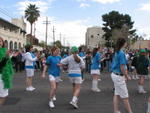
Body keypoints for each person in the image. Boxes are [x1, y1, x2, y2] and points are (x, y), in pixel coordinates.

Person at [111, 38, 133, 113]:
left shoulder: (117, 52)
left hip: (115, 74)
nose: (126, 43)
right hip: (118, 76)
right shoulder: (121, 53)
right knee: (125, 97)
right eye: (126, 42)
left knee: (117, 94)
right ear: (123, 43)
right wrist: (127, 76)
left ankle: (116, 110)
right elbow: (122, 67)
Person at [0, 37, 14, 105]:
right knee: (2, 95)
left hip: (5, 75)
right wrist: (6, 57)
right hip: (0, 75)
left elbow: (9, 63)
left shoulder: (5, 51)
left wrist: (10, 57)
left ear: (2, 43)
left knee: (4, 95)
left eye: (0, 41)